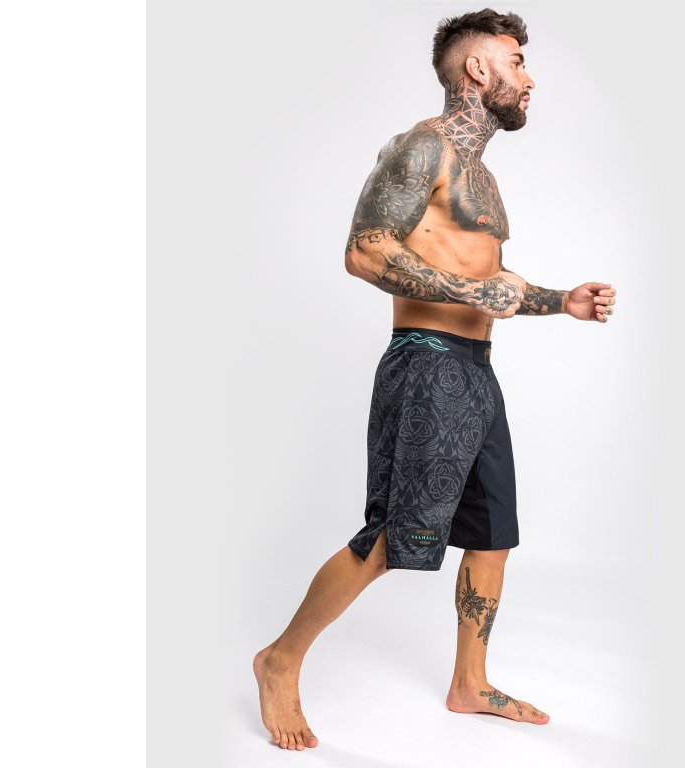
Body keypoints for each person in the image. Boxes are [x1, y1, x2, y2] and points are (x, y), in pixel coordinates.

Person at [253, 8, 617, 751]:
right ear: (478, 69)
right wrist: (473, 292)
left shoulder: (482, 173)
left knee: (493, 535)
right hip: (426, 363)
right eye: (516, 61)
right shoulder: (422, 148)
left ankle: (469, 682)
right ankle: (279, 659)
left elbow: (489, 279)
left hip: (477, 370)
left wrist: (562, 302)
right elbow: (365, 251)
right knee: (395, 534)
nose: (529, 78)